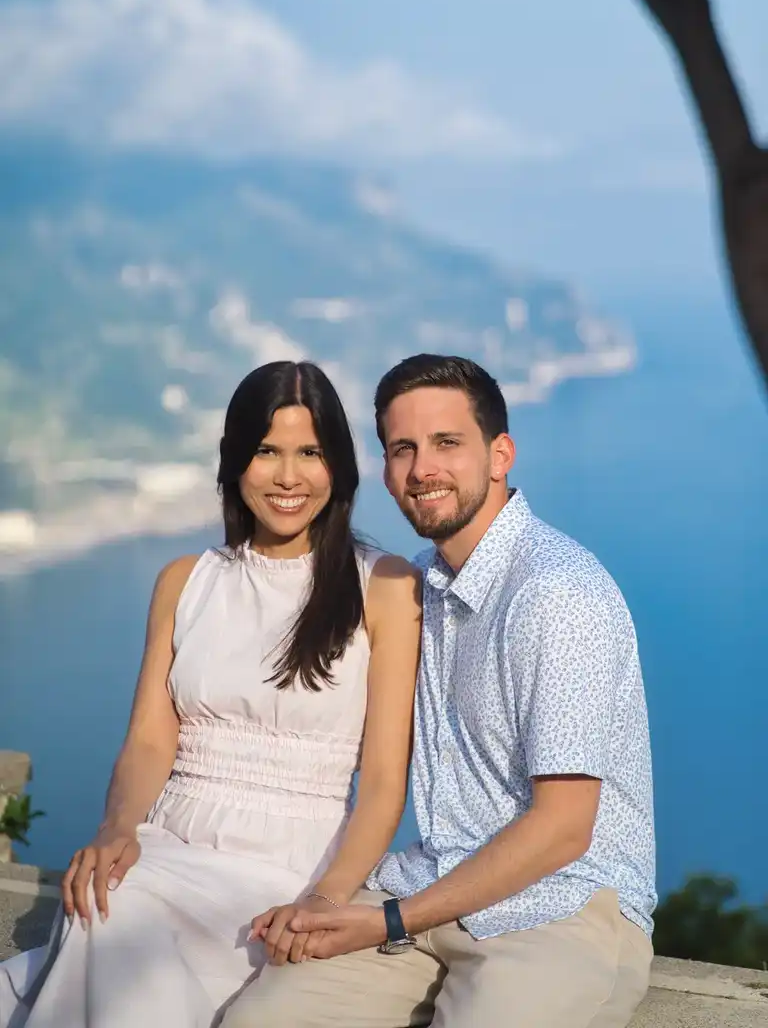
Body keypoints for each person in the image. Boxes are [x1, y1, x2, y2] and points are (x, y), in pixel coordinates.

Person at [225, 353, 656, 1028]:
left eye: (447, 443)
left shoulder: (555, 594)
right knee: (258, 1020)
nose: (422, 468)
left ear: (500, 454)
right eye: (403, 449)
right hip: (431, 892)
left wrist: (386, 919)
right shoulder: (415, 589)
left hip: (558, 911)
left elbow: (564, 829)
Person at [0, 360, 421, 1028]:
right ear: (234, 462)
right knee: (109, 904)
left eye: (310, 453)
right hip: (169, 840)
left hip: (293, 862)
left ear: (339, 465)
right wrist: (115, 831)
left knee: (109, 935)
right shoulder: (184, 581)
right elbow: (147, 740)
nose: (288, 477)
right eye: (266, 452)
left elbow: (383, 786)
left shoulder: (384, 586)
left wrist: (329, 897)